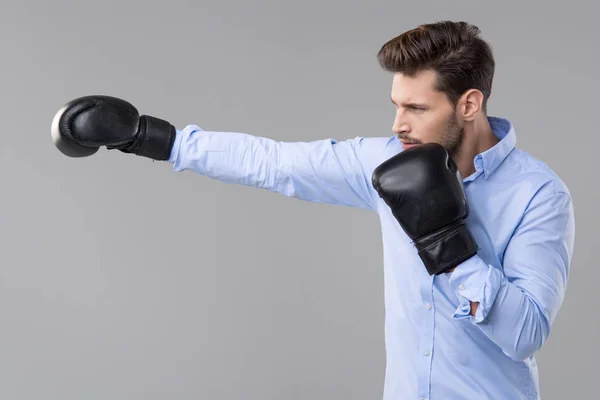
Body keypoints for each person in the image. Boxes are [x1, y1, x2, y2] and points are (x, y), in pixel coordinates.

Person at [50, 20, 575, 400]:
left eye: (416, 108)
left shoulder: (537, 195)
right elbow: (276, 163)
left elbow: (526, 333)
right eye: (396, 104)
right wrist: (149, 138)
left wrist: (449, 248)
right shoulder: (387, 161)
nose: (398, 124)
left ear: (469, 104)